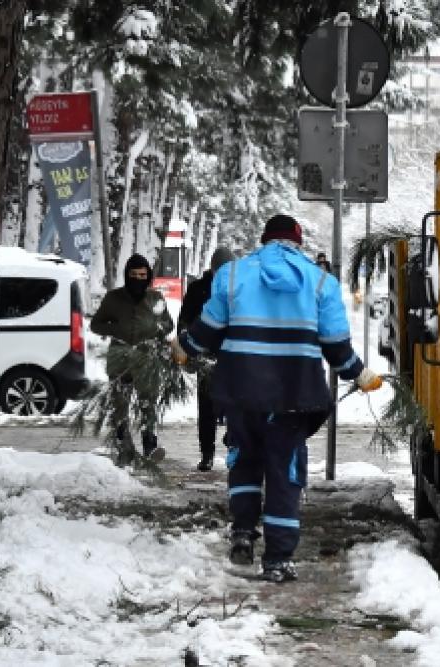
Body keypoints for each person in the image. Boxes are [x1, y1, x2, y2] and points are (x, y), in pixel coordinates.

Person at [173, 214, 383, 583]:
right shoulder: (321, 283)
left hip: (240, 392)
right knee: (285, 474)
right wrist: (360, 374)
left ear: (264, 239)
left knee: (243, 462)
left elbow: (206, 332)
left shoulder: (233, 274)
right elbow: (336, 347)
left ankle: (241, 531)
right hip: (292, 396)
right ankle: (278, 559)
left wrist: (183, 347)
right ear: (297, 243)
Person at [90, 253, 175, 465]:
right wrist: (116, 328)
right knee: (120, 405)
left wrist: (156, 328)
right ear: (127, 275)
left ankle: (150, 445)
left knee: (148, 404)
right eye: (134, 274)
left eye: (143, 274)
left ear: (148, 276)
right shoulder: (114, 298)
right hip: (120, 360)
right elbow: (96, 324)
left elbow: (168, 324)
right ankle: (123, 446)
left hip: (146, 360)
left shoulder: (155, 298)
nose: (139, 278)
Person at [178, 247, 236, 471]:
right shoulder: (197, 289)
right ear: (212, 269)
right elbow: (184, 320)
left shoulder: (239, 288)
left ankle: (234, 445)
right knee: (207, 408)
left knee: (235, 405)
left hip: (233, 357)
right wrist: (189, 347)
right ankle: (207, 453)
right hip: (205, 355)